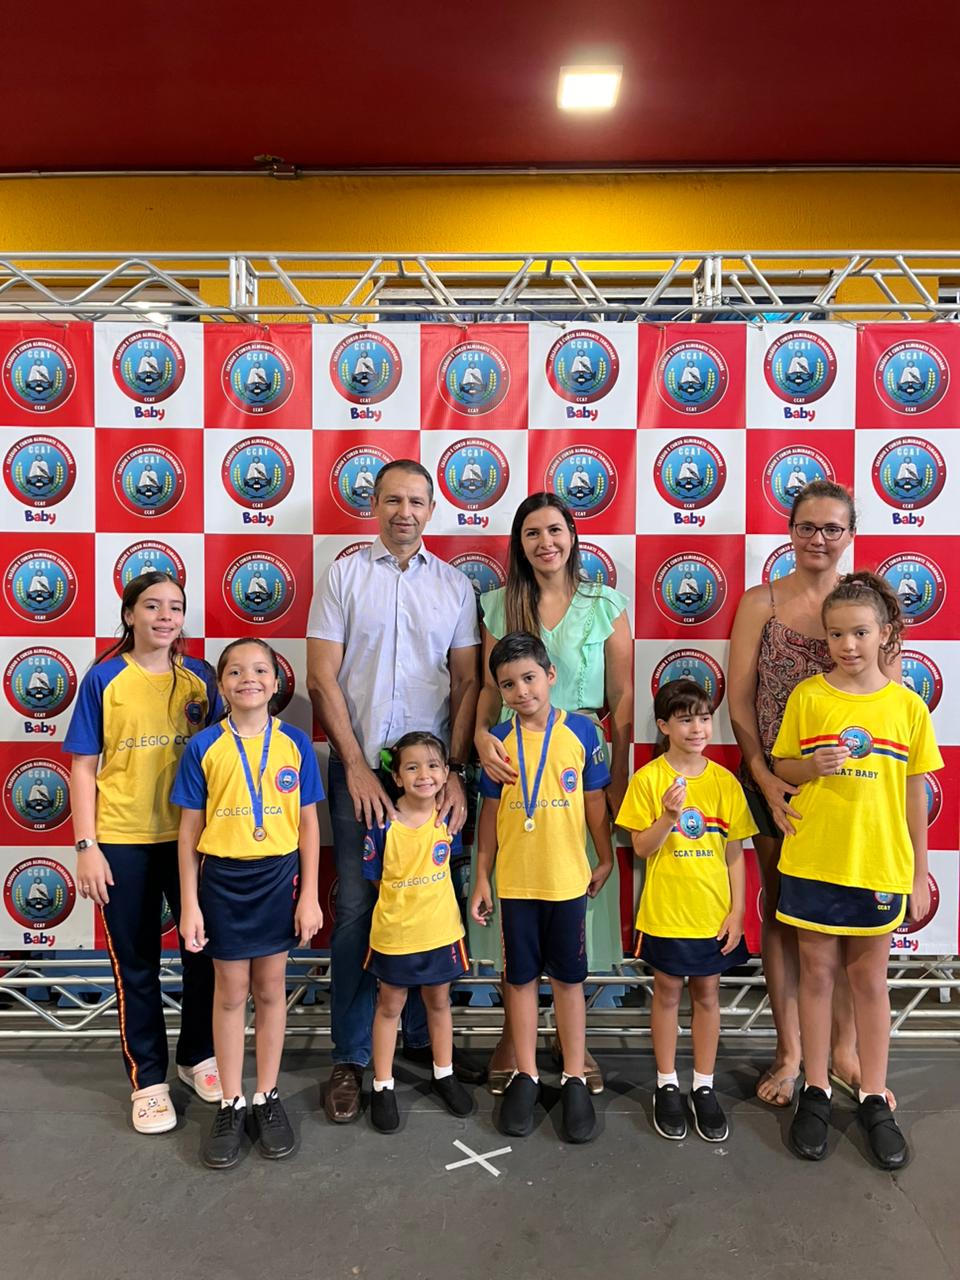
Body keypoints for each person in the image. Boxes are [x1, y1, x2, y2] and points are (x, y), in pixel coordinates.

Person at [307, 459, 481, 1124]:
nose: (404, 512)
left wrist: (455, 770)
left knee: (431, 899)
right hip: (359, 768)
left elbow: (466, 683)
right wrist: (354, 764)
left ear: (432, 509)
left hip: (430, 777)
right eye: (392, 500)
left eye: (416, 501)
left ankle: (422, 1046)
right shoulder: (344, 575)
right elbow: (320, 677)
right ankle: (351, 1056)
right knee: (358, 907)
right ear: (373, 505)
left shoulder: (454, 585)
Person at [728, 480, 894, 1109]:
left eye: (831, 528)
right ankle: (791, 1051)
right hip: (775, 788)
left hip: (851, 797)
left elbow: (888, 704)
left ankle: (845, 1050)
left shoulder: (869, 606)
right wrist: (765, 776)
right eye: (806, 527)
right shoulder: (759, 603)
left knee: (849, 923)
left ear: (850, 534)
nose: (818, 539)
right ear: (790, 531)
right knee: (782, 912)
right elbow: (740, 703)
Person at [771, 573, 942, 1168]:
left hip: (878, 865)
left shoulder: (906, 706)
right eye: (837, 634)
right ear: (825, 637)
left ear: (886, 633)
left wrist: (917, 873)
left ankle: (873, 1096)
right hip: (814, 860)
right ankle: (816, 1090)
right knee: (816, 975)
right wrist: (810, 767)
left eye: (861, 633)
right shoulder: (808, 697)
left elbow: (916, 793)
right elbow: (784, 768)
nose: (848, 645)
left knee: (869, 982)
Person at [473, 492, 632, 1093]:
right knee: (515, 905)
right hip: (514, 763)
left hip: (579, 765)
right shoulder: (497, 604)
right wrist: (481, 740)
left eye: (556, 530)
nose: (546, 542)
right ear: (519, 543)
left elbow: (622, 695)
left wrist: (619, 775)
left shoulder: (604, 603)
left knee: (577, 903)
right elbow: (485, 690)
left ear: (573, 536)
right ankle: (513, 1039)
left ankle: (573, 1044)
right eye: (533, 533)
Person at [63, 571, 221, 1135]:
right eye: (152, 606)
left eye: (175, 607)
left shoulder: (202, 678)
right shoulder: (104, 678)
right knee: (137, 965)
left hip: (193, 840)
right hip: (122, 840)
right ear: (129, 614)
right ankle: (148, 1081)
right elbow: (83, 767)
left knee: (205, 953)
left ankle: (197, 1056)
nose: (165, 616)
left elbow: (225, 753)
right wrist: (87, 846)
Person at [173, 638, 324, 1169]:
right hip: (223, 882)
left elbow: (309, 826)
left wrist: (309, 894)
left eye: (260, 669)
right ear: (221, 685)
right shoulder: (204, 747)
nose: (248, 679)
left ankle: (267, 1095)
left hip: (277, 879)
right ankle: (231, 1102)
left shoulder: (295, 744)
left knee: (271, 989)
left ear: (276, 682)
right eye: (235, 671)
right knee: (231, 993)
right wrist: (189, 905)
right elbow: (188, 834)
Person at [471, 632, 614, 1144]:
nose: (521, 691)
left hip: (566, 881)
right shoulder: (497, 741)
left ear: (551, 675)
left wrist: (606, 855)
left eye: (529, 678)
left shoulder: (582, 732)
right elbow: (489, 813)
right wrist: (482, 875)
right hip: (516, 884)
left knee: (570, 980)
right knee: (521, 980)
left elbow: (595, 802)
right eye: (508, 685)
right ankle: (527, 1074)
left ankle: (573, 1074)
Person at [616, 679, 755, 1143]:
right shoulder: (648, 779)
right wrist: (668, 818)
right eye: (685, 719)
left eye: (703, 717)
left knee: (708, 996)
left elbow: (734, 854)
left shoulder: (724, 782)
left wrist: (737, 912)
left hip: (711, 914)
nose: (697, 728)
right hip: (665, 913)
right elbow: (640, 847)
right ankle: (666, 1084)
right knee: (667, 994)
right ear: (663, 726)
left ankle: (704, 1085)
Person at [363, 731, 473, 1133]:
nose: (423, 775)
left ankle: (444, 1073)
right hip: (395, 936)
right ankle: (382, 1085)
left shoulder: (448, 820)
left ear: (445, 773)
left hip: (441, 934)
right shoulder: (382, 825)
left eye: (432, 766)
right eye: (412, 767)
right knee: (389, 1006)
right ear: (397, 777)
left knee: (439, 1003)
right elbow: (376, 879)